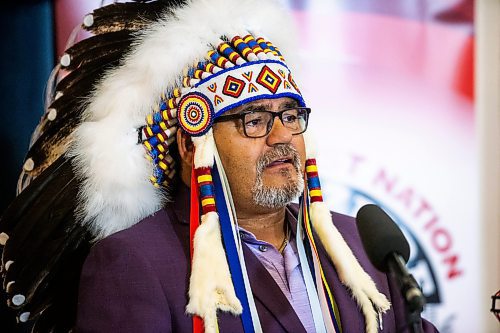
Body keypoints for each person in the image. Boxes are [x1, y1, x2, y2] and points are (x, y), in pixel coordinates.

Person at [0, 0, 439, 332]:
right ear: (193, 148)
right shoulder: (134, 263)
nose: (282, 135)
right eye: (254, 120)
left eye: (290, 115)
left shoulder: (363, 247)